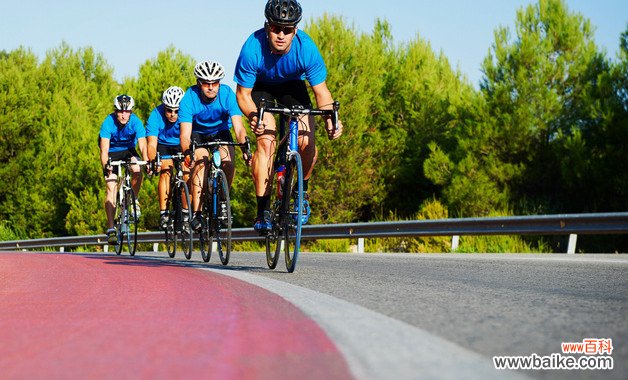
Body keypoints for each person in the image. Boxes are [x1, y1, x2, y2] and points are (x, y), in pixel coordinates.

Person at [234, 0, 343, 233]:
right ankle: (262, 210)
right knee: (266, 139)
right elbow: (242, 95)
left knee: (306, 139)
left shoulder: (306, 48)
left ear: (295, 30)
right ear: (267, 27)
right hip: (261, 88)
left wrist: (331, 121)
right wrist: (254, 115)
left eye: (288, 30)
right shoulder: (252, 47)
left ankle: (300, 193)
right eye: (276, 28)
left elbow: (321, 92)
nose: (281, 35)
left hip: (292, 87)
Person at [179, 60, 251, 232]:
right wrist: (188, 152)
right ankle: (196, 213)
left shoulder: (227, 94)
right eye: (206, 83)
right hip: (198, 135)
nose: (211, 87)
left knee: (228, 160)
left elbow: (239, 128)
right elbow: (184, 135)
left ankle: (223, 201)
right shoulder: (189, 97)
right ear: (199, 83)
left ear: (219, 83)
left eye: (215, 83)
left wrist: (245, 148)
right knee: (201, 162)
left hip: (221, 133)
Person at [99, 94, 148, 244]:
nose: (123, 115)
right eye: (120, 111)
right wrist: (106, 164)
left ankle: (133, 198)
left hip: (128, 150)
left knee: (137, 169)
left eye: (127, 112)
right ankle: (111, 229)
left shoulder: (135, 122)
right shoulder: (108, 122)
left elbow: (142, 144)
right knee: (111, 186)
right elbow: (104, 149)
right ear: (115, 111)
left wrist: (147, 160)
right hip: (112, 152)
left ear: (131, 112)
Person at [146, 86, 187, 230]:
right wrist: (153, 160)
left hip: (182, 143)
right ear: (164, 107)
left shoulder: (187, 112)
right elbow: (151, 144)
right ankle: (164, 213)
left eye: (177, 111)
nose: (172, 114)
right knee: (166, 169)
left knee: (187, 171)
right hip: (163, 145)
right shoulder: (155, 115)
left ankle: (186, 212)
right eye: (169, 110)